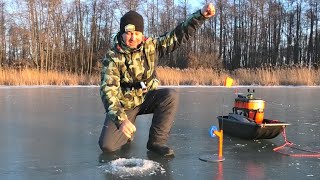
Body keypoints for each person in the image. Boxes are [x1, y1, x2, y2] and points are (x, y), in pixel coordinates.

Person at [99, 3, 216, 156]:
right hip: (125, 105)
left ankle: (156, 142)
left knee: (170, 96)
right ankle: (128, 127)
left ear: (142, 34)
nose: (133, 37)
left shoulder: (151, 45)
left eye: (137, 33)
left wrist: (200, 15)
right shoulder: (112, 56)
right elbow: (108, 91)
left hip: (147, 97)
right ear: (122, 33)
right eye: (128, 33)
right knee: (107, 146)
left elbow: (177, 35)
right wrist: (121, 120)